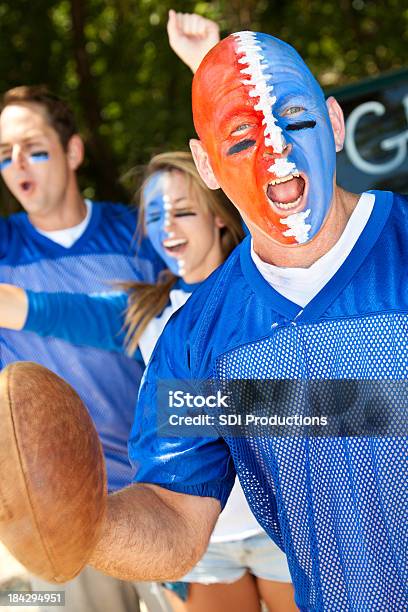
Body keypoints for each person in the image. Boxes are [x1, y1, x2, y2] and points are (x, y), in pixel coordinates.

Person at [2, 29, 406, 612]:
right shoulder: (192, 337)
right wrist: (82, 521)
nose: (279, 153)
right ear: (207, 164)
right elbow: (175, 509)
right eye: (241, 140)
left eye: (298, 120)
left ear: (336, 122)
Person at [0, 151, 297, 612]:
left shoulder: (272, 291)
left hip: (283, 524)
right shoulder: (143, 311)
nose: (167, 229)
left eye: (182, 211)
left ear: (218, 217)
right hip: (200, 538)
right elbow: (38, 308)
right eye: (154, 216)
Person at [0, 85, 165, 612]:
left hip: (159, 498)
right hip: (50, 513)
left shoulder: (142, 233)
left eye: (33, 146)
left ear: (72, 152)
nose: (18, 163)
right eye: (5, 154)